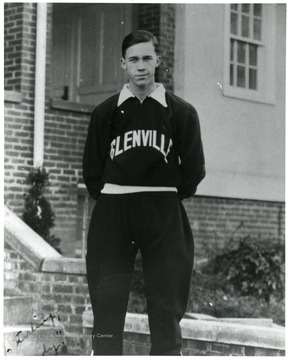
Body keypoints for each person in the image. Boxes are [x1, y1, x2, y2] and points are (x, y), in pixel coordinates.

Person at [83, 30, 205, 356]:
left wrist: (163, 195)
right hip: (113, 209)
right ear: (123, 64)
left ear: (158, 61)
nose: (141, 66)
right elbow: (92, 172)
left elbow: (194, 172)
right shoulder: (105, 113)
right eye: (134, 59)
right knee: (107, 299)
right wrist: (116, 196)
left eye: (147, 58)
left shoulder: (181, 112)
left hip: (163, 209)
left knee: (167, 300)